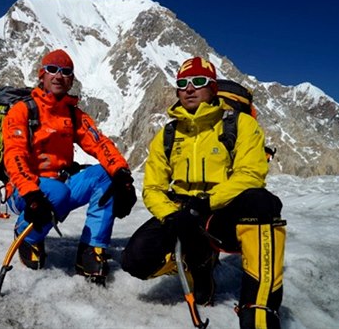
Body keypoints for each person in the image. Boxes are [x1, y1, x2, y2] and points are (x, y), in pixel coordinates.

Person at [121, 57, 286, 329]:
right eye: (182, 84)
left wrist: (207, 202)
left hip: (222, 210)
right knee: (135, 260)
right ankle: (198, 267)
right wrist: (170, 215)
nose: (189, 89)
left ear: (212, 89)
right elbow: (152, 187)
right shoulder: (168, 134)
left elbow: (251, 174)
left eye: (198, 82)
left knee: (262, 203)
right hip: (181, 210)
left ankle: (258, 308)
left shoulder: (239, 125)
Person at [3, 49, 137, 284]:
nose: (58, 76)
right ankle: (28, 235)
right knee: (57, 193)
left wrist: (122, 175)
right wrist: (31, 193)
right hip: (24, 189)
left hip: (60, 186)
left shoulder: (73, 114)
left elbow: (100, 143)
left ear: (71, 80)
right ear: (41, 75)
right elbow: (14, 154)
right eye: (52, 70)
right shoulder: (22, 110)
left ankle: (90, 248)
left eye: (66, 72)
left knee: (106, 177)